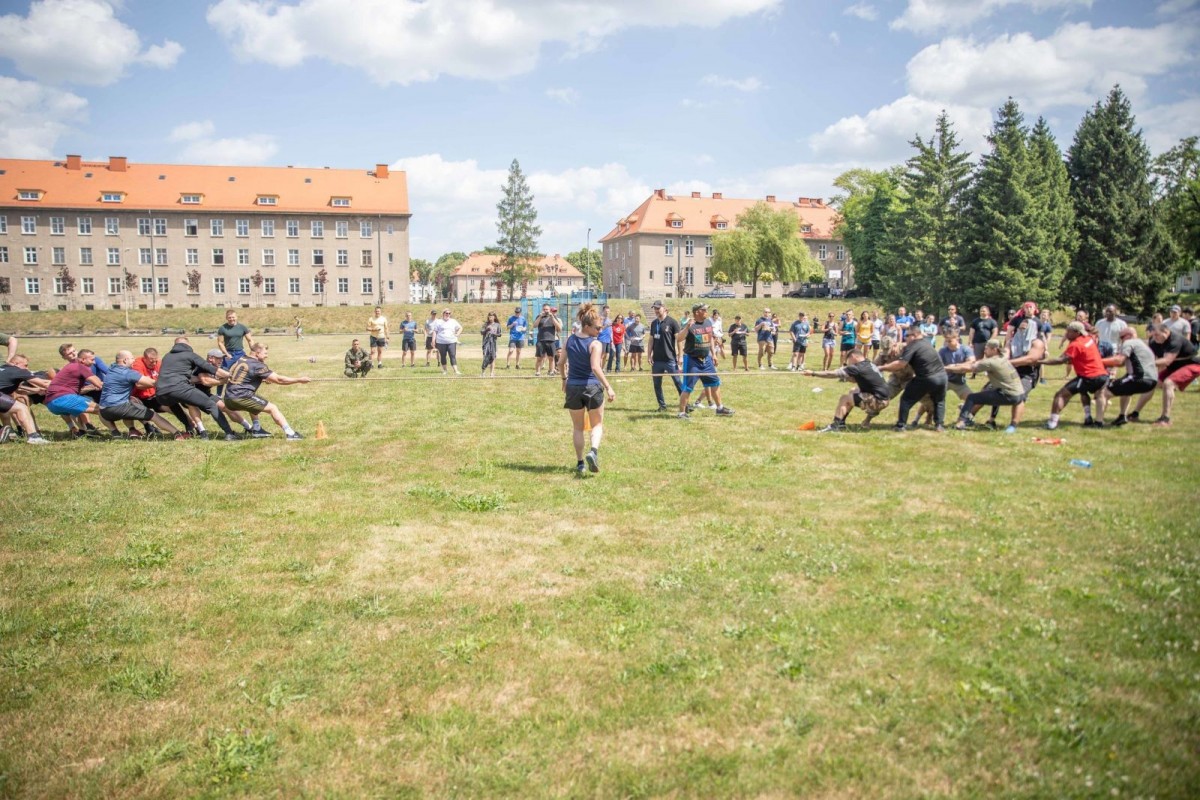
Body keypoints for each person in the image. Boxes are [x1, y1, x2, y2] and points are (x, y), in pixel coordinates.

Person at [558, 303, 616, 475]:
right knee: (597, 424)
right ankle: (593, 451)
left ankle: (580, 463)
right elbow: (595, 367)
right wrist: (608, 386)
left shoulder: (569, 340)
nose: (599, 330)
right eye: (597, 328)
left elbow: (560, 363)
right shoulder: (595, 344)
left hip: (573, 387)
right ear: (587, 326)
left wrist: (564, 380)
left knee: (578, 428)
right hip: (592, 387)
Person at [155, 336, 240, 440]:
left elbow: (185, 377)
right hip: (180, 388)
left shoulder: (167, 356)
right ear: (188, 345)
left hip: (160, 392)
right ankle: (229, 433)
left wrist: (201, 379)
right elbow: (212, 369)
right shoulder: (190, 355)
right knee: (211, 404)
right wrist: (231, 376)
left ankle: (190, 427)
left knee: (173, 402)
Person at [224, 344, 310, 440]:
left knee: (253, 403)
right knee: (272, 408)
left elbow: (240, 375)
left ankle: (256, 429)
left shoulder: (242, 359)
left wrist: (262, 378)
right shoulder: (257, 365)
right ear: (257, 353)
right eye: (265, 353)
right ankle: (290, 434)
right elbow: (279, 379)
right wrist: (298, 380)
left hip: (228, 398)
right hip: (241, 396)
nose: (267, 356)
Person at [1038, 320, 1109, 430]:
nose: (1066, 334)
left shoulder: (1076, 344)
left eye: (1069, 331)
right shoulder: (1088, 338)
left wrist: (1039, 362)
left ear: (1077, 332)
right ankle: (1091, 419)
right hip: (1102, 375)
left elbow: (1061, 360)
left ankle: (1052, 423)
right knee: (1085, 392)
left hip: (1088, 377)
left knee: (1060, 395)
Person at [945, 339, 1026, 433]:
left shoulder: (990, 362)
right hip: (1019, 394)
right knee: (989, 392)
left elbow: (967, 369)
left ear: (994, 349)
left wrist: (947, 368)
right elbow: (978, 362)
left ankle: (961, 422)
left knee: (972, 397)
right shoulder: (1003, 357)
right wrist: (956, 364)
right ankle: (1012, 427)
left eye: (987, 348)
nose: (984, 350)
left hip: (1008, 395)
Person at [1130, 322, 1200, 427]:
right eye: (1153, 335)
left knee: (1168, 383)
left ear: (1166, 332)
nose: (1154, 337)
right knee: (1152, 382)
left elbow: (1166, 361)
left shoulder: (1175, 340)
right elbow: (1152, 358)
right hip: (1174, 366)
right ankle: (1135, 414)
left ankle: (1165, 418)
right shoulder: (1155, 342)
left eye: (1157, 335)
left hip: (1192, 364)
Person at [99, 350, 183, 438]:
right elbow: (152, 383)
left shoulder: (112, 368)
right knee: (154, 416)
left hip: (104, 411)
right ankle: (177, 434)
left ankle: (116, 432)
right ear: (125, 360)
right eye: (132, 358)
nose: (134, 360)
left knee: (130, 401)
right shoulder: (127, 373)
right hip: (119, 407)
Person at [879, 327, 948, 432]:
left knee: (906, 399)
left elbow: (901, 364)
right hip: (942, 377)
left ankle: (901, 425)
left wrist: (882, 368)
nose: (905, 338)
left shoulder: (913, 345)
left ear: (915, 335)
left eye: (907, 335)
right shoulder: (927, 343)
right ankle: (939, 426)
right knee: (939, 401)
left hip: (926, 377)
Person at [802, 349, 890, 431]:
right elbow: (860, 379)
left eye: (849, 361)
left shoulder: (856, 367)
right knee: (853, 391)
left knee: (844, 398)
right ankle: (842, 423)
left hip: (878, 401)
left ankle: (835, 425)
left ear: (853, 357)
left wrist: (813, 373)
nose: (849, 363)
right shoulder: (868, 363)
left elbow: (831, 374)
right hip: (884, 397)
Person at [676, 303, 733, 419]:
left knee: (715, 383)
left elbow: (710, 338)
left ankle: (720, 408)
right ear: (697, 312)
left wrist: (714, 355)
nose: (707, 312)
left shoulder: (707, 323)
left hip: (706, 360)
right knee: (687, 387)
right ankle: (681, 413)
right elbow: (679, 338)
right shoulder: (690, 325)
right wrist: (687, 327)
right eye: (704, 310)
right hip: (692, 360)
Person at [44, 348, 117, 436]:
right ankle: (116, 433)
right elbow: (99, 384)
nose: (94, 362)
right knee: (102, 410)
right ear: (82, 359)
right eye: (92, 360)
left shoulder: (69, 366)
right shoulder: (81, 367)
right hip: (63, 398)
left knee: (77, 410)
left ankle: (84, 432)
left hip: (51, 404)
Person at [1099, 328, 1158, 426]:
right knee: (1126, 389)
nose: (1121, 340)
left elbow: (1119, 361)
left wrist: (1098, 361)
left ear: (1129, 335)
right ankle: (1122, 416)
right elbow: (1122, 364)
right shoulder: (1143, 345)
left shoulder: (1129, 342)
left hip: (1139, 377)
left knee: (1104, 392)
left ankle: (1098, 421)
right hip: (1152, 380)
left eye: (1122, 337)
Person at [131, 347, 193, 434]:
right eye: (151, 361)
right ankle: (148, 427)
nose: (154, 363)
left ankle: (190, 425)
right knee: (136, 405)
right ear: (144, 359)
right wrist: (159, 383)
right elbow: (139, 385)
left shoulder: (159, 363)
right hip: (139, 397)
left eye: (155, 361)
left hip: (154, 395)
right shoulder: (138, 364)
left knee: (171, 403)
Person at [0, 354, 51, 444]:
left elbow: (19, 389)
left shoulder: (3, 369)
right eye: (25, 365)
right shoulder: (19, 371)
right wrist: (61, 381)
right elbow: (44, 383)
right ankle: (33, 437)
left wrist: (36, 391)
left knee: (5, 408)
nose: (27, 368)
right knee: (21, 408)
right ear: (16, 363)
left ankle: (8, 433)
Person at [649, 300, 685, 410]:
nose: (656, 310)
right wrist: (649, 355)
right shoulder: (654, 323)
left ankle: (685, 405)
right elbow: (651, 340)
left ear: (664, 308)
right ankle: (662, 406)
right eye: (654, 308)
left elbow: (679, 340)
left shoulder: (672, 322)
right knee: (657, 384)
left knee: (678, 382)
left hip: (670, 359)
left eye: (658, 308)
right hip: (657, 360)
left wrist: (680, 356)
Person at [938, 332, 974, 406]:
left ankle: (963, 407)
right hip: (944, 381)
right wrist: (957, 368)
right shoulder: (942, 351)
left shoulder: (965, 349)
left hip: (959, 382)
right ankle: (918, 417)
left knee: (973, 400)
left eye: (950, 341)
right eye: (946, 341)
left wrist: (954, 366)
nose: (947, 343)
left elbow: (971, 362)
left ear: (957, 339)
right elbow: (938, 366)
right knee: (932, 399)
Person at [432, 308, 463, 375]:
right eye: (446, 313)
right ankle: (445, 370)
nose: (448, 314)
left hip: (451, 341)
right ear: (443, 314)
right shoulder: (438, 321)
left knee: (452, 355)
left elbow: (460, 328)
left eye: (449, 313)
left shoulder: (453, 321)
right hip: (441, 342)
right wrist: (433, 340)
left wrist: (457, 334)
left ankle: (456, 370)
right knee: (443, 356)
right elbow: (435, 331)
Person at [534, 303, 562, 377]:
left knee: (551, 358)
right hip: (541, 340)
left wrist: (552, 317)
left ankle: (551, 372)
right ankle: (537, 372)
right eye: (544, 309)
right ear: (542, 310)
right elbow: (534, 325)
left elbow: (559, 328)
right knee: (539, 358)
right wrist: (540, 316)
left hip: (551, 340)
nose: (546, 311)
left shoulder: (553, 317)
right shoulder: (539, 316)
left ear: (550, 310)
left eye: (547, 309)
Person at [480, 311, 501, 377]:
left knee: (493, 358)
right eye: (489, 316)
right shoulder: (485, 324)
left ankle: (492, 373)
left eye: (492, 316)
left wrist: (494, 333)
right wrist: (486, 330)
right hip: (486, 343)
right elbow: (481, 332)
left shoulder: (497, 325)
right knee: (485, 357)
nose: (490, 318)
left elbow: (500, 334)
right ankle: (483, 373)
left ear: (494, 317)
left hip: (493, 343)